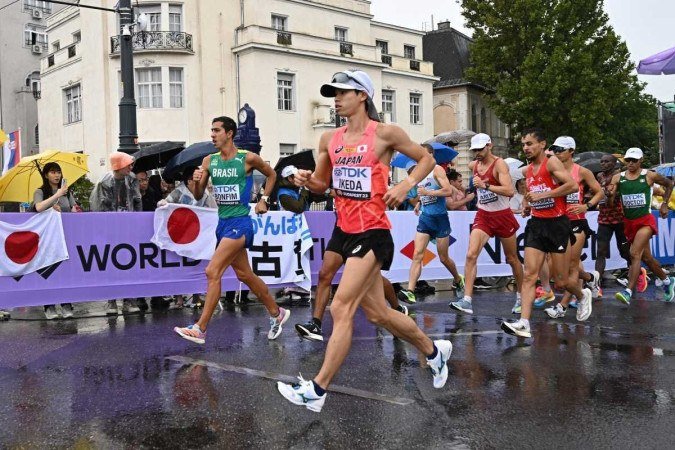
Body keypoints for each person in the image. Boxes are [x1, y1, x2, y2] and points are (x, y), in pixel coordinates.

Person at [277, 70, 452, 412]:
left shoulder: (385, 134)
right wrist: (304, 179)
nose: (336, 98)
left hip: (372, 231)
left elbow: (427, 158)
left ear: (362, 96)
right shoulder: (330, 138)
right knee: (378, 314)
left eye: (342, 92)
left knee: (341, 307)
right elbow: (321, 184)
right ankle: (435, 352)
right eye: (334, 93)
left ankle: (317, 389)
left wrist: (405, 185)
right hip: (344, 229)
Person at [173, 116, 288, 344]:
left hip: (241, 223)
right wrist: (196, 181)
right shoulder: (209, 161)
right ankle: (277, 313)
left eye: (217, 130)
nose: (212, 135)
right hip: (222, 224)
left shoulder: (248, 158)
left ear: (230, 133)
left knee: (212, 271)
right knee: (245, 275)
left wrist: (264, 199)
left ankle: (201, 328)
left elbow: (273, 174)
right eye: (211, 130)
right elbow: (198, 195)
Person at [501, 128, 584, 338]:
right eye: (523, 144)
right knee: (529, 275)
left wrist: (547, 194)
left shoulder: (552, 162)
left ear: (542, 144)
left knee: (561, 281)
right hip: (537, 224)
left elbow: (572, 186)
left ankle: (582, 295)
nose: (526, 148)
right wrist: (528, 204)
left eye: (529, 144)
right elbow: (532, 192)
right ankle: (524, 323)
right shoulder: (528, 170)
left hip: (557, 225)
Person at [449, 133, 524, 315]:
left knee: (512, 258)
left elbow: (509, 191)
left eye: (480, 149)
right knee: (470, 255)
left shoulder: (499, 164)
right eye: (474, 150)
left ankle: (522, 296)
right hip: (483, 215)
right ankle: (467, 300)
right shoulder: (473, 165)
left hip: (502, 215)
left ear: (489, 146)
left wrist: (486, 186)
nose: (477, 153)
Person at [542, 136, 603, 320]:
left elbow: (599, 191)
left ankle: (563, 306)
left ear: (571, 152)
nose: (558, 152)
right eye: (555, 149)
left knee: (571, 266)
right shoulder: (552, 171)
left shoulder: (582, 171)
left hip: (577, 222)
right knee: (556, 272)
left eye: (561, 149)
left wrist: (587, 206)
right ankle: (590, 278)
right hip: (557, 223)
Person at [397, 144, 465, 304]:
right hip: (426, 218)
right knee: (417, 255)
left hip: (440, 219)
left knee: (443, 258)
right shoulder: (418, 173)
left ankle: (458, 278)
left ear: (431, 156)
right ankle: (410, 291)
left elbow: (448, 191)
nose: (419, 158)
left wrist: (429, 193)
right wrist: (420, 202)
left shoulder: (437, 170)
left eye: (422, 155)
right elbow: (422, 193)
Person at [609, 147, 675, 304]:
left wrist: (665, 204)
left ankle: (628, 291)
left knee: (634, 254)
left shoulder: (649, 175)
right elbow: (611, 204)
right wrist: (610, 195)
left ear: (641, 161)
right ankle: (667, 281)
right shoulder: (618, 178)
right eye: (628, 160)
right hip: (629, 223)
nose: (630, 163)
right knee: (648, 258)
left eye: (634, 160)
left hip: (645, 221)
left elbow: (669, 184)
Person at [90, 151, 142, 315]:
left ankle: (129, 300)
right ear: (119, 166)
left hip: (129, 227)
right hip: (110, 229)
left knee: (129, 263)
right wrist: (105, 228)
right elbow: (100, 206)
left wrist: (138, 221)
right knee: (112, 264)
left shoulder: (132, 179)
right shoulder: (105, 183)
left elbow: (137, 200)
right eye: (127, 164)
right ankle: (111, 301)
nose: (130, 167)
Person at [32, 162, 78, 319]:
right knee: (50, 270)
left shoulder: (67, 191)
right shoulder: (40, 191)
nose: (57, 175)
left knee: (66, 270)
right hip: (47, 238)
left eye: (58, 172)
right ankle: (49, 306)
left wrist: (74, 210)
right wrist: (54, 200)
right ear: (46, 175)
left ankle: (66, 304)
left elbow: (73, 209)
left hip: (65, 236)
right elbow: (38, 208)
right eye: (52, 172)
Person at [594, 154, 638, 295]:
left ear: (614, 163)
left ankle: (636, 276)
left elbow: (622, 191)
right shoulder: (599, 176)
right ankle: (596, 285)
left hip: (620, 219)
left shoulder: (620, 176)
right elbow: (594, 192)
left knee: (624, 251)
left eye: (607, 161)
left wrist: (610, 193)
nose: (603, 164)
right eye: (602, 161)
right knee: (600, 251)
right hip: (604, 219)